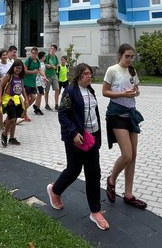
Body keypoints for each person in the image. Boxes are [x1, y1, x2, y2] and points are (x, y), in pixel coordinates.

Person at [46, 63, 109, 231]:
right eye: (87, 73)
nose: (90, 76)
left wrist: (98, 136)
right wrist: (73, 133)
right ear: (79, 75)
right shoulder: (71, 91)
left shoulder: (90, 91)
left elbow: (93, 114)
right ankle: (55, 190)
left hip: (91, 138)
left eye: (90, 73)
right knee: (74, 169)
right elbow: (63, 114)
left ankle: (95, 211)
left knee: (94, 173)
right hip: (76, 139)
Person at [102, 43, 146, 210]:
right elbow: (105, 92)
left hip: (131, 114)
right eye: (127, 56)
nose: (129, 59)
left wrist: (135, 92)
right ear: (120, 55)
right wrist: (121, 94)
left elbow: (137, 90)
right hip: (116, 114)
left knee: (133, 156)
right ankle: (111, 179)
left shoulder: (132, 71)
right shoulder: (112, 70)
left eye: (132, 56)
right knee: (126, 155)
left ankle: (128, 194)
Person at [0, 59, 29, 147]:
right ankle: (4, 134)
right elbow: (1, 86)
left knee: (14, 119)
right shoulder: (8, 76)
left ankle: (12, 138)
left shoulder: (20, 77)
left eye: (20, 68)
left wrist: (26, 99)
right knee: (11, 118)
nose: (18, 70)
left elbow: (22, 89)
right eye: (16, 68)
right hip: (8, 100)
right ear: (13, 67)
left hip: (17, 99)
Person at [0, 48, 13, 132]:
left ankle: (6, 123)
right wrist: (0, 79)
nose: (5, 56)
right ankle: (1, 126)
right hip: (1, 87)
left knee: (9, 106)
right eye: (3, 55)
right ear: (0, 56)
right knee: (0, 107)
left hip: (9, 88)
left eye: (6, 55)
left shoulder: (10, 64)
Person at [23, 47, 40, 122]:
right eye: (33, 53)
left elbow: (39, 70)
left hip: (33, 83)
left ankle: (23, 109)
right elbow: (24, 71)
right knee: (27, 99)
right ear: (31, 53)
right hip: (26, 82)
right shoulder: (28, 61)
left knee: (33, 97)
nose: (34, 54)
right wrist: (33, 72)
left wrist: (44, 77)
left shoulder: (37, 61)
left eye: (35, 53)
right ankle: (24, 114)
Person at [44, 44, 60, 111]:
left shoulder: (55, 57)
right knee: (47, 90)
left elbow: (56, 66)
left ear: (55, 50)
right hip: (47, 75)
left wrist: (54, 67)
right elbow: (44, 63)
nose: (52, 50)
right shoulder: (47, 56)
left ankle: (56, 104)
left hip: (54, 75)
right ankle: (46, 104)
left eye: (53, 48)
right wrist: (48, 65)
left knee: (57, 89)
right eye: (51, 48)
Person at [33, 51, 47, 115]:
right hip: (38, 80)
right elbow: (39, 72)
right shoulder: (38, 63)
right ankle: (37, 106)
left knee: (40, 94)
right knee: (39, 93)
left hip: (42, 80)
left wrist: (45, 78)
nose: (45, 57)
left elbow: (43, 72)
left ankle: (37, 106)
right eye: (44, 56)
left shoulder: (43, 63)